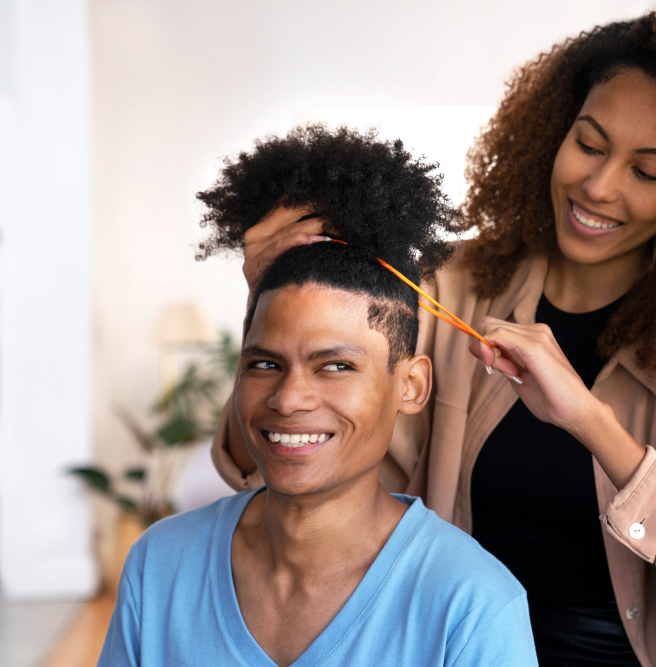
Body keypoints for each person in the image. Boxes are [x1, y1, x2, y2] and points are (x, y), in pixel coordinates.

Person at [213, 10, 656, 667]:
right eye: (589, 144)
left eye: (648, 172)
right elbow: (271, 467)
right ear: (555, 131)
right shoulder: (451, 288)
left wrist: (593, 424)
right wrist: (273, 296)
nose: (598, 186)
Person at [98, 126, 537, 667]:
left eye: (335, 366)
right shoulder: (158, 567)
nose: (289, 399)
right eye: (265, 364)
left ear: (411, 386)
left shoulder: (472, 607)